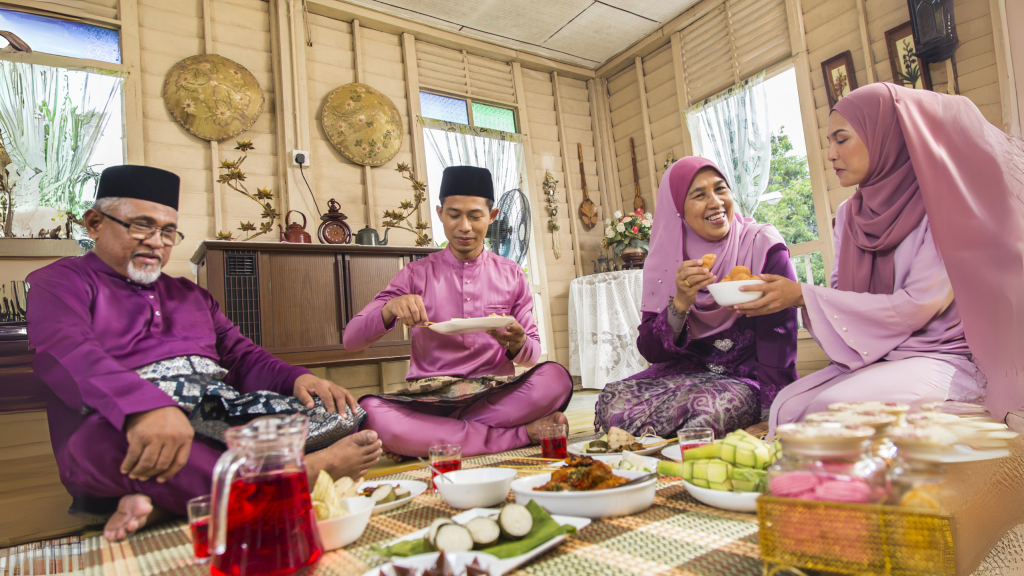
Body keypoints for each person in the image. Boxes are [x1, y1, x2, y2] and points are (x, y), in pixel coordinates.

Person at [26, 165, 383, 542]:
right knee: (132, 446)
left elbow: (243, 356)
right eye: (142, 226)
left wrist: (299, 378)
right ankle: (299, 475)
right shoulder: (61, 281)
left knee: (340, 414)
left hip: (214, 417)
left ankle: (169, 505)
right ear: (95, 223)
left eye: (167, 231)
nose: (157, 242)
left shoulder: (189, 294)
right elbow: (67, 352)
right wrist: (143, 408)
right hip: (121, 423)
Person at [727, 83, 1024, 433]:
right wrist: (796, 298)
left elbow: (919, 304)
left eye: (842, 139)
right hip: (884, 355)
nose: (831, 155)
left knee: (828, 410)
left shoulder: (943, 205)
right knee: (786, 406)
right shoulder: (850, 215)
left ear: (886, 137)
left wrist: (801, 295)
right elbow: (844, 295)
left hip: (944, 357)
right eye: (828, 143)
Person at [344, 166, 573, 458]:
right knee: (371, 414)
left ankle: (437, 434)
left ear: (492, 217)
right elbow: (352, 340)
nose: (464, 226)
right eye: (454, 215)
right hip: (431, 399)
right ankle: (520, 434)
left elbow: (531, 357)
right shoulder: (415, 274)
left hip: (494, 395)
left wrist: (517, 343)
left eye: (475, 216)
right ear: (440, 214)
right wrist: (389, 309)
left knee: (556, 379)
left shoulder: (512, 274)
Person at [594, 157, 799, 438]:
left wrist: (772, 412)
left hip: (747, 377)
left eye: (720, 189)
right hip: (684, 374)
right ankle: (668, 439)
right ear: (678, 210)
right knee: (612, 403)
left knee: (708, 413)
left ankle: (665, 439)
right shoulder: (667, 262)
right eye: (699, 195)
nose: (715, 202)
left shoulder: (763, 246)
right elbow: (652, 352)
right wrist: (680, 302)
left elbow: (779, 335)